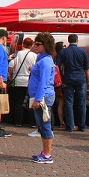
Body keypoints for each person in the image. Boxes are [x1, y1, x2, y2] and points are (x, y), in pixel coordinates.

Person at [28, 32, 56, 164]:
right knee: (42, 125)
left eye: (38, 44)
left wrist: (38, 99)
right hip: (41, 96)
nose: (35, 46)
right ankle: (45, 152)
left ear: (45, 45)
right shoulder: (43, 59)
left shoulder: (45, 61)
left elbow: (44, 82)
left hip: (43, 97)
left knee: (45, 126)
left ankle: (47, 154)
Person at [56, 34, 89, 132]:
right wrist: (88, 81)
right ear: (77, 41)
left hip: (68, 79)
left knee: (68, 103)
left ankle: (70, 126)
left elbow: (57, 66)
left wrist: (61, 78)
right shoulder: (83, 52)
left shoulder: (63, 52)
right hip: (80, 79)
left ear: (68, 40)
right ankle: (82, 126)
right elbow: (86, 68)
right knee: (82, 103)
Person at [8, 37, 37, 127]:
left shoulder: (17, 54)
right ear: (31, 45)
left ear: (23, 44)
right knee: (31, 102)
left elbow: (10, 68)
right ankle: (32, 122)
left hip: (18, 81)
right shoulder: (34, 56)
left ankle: (18, 122)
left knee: (18, 102)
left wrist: (12, 74)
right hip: (30, 81)